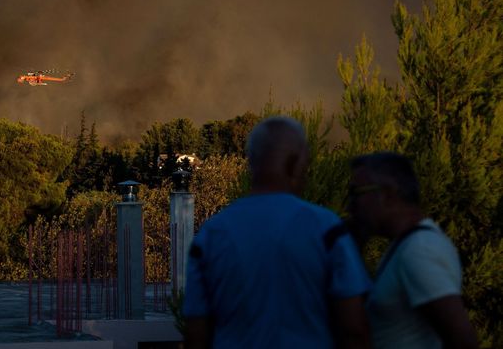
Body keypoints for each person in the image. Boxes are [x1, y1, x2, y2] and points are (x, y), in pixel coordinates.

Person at [183, 116, 371, 349]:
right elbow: (353, 329)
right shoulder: (327, 230)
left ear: (251, 162)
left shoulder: (210, 235)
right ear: (294, 163)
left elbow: (195, 333)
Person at [347, 152, 478, 349]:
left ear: (388, 194)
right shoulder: (405, 246)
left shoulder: (419, 250)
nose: (349, 206)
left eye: (356, 193)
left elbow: (462, 340)